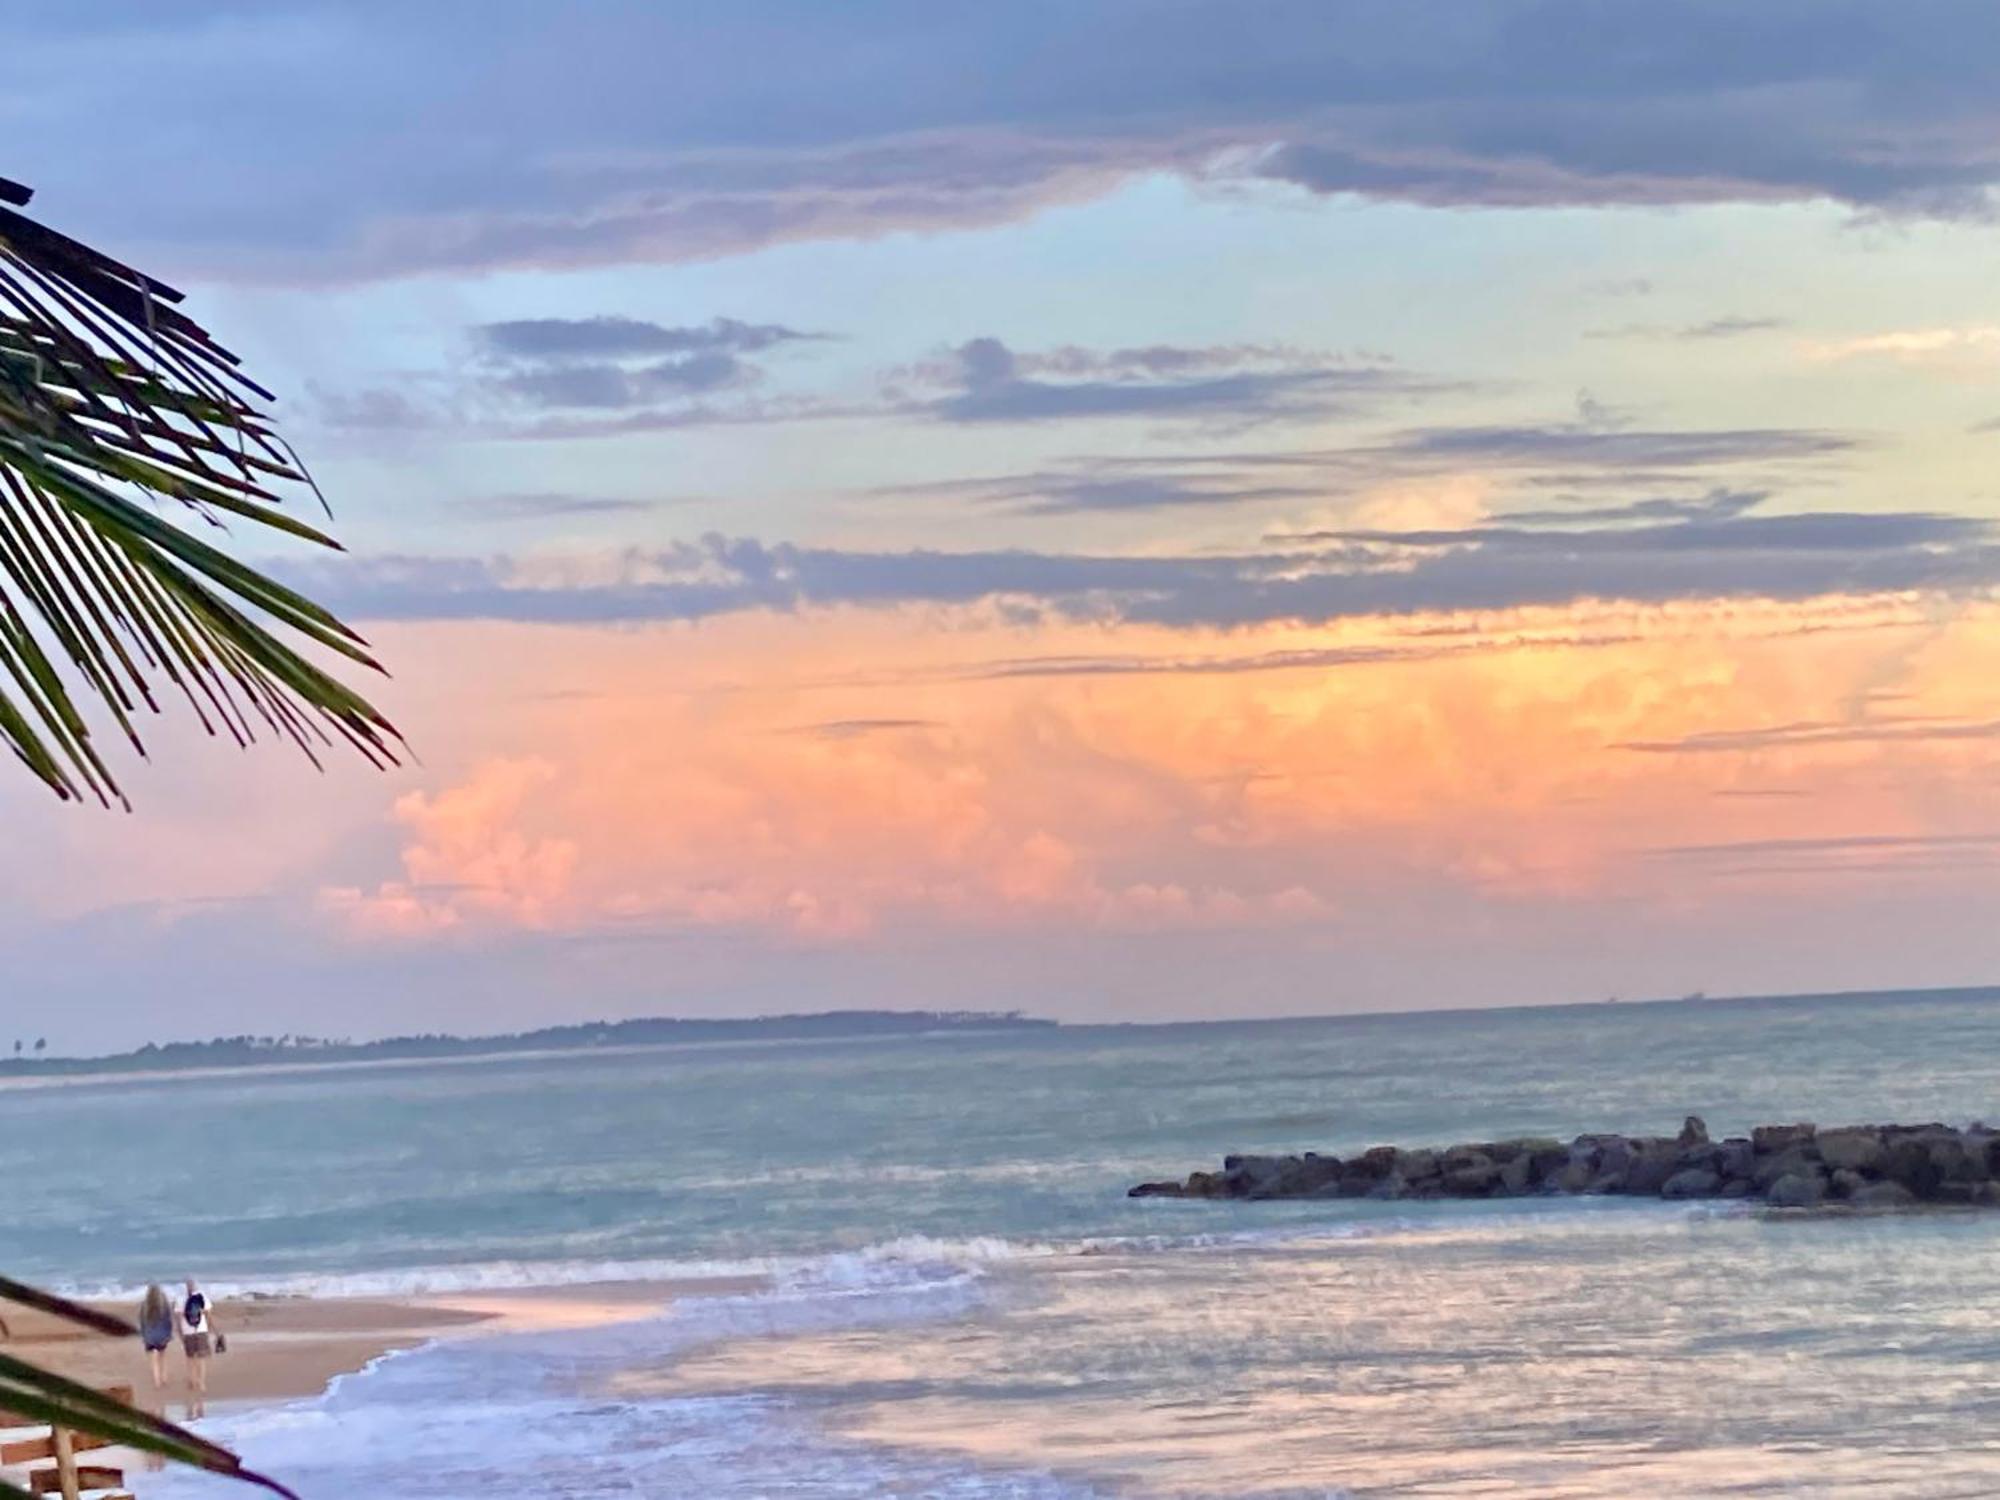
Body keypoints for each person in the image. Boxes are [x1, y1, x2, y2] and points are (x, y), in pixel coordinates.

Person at [177, 1280, 218, 1412]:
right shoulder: (202, 1297)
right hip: (200, 1330)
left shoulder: (180, 1299)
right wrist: (214, 1330)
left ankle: (192, 1381)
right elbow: (208, 1315)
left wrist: (180, 1333)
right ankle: (201, 1383)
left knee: (190, 1358)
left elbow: (178, 1318)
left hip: (187, 1331)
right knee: (201, 1358)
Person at [137, 1284, 174, 1392]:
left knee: (153, 1360)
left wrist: (143, 1335)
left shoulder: (145, 1305)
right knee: (162, 1357)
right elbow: (168, 1321)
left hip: (149, 1336)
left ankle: (157, 1381)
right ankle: (164, 1378)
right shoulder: (164, 1305)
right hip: (162, 1335)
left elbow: (142, 1322)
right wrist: (169, 1334)